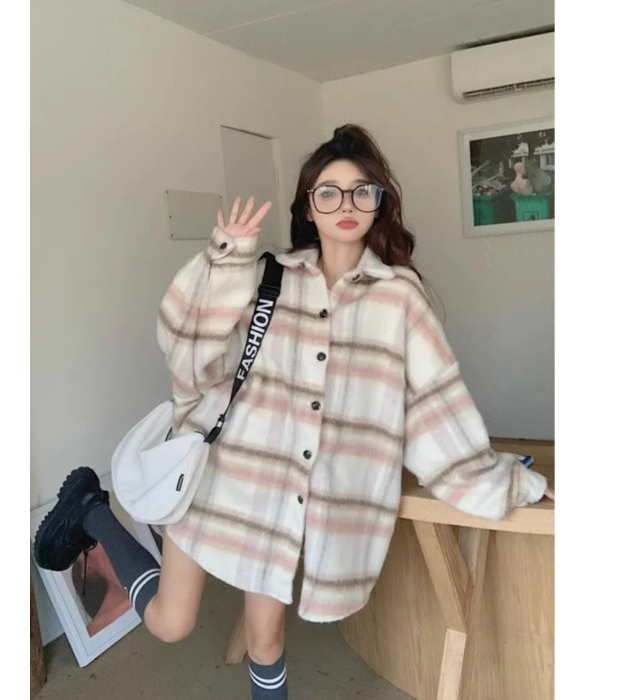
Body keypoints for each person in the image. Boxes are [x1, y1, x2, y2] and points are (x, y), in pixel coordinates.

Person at [34, 124, 554, 699]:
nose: (346, 205)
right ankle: (92, 511)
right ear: (308, 206)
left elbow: (435, 405)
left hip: (285, 500)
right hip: (223, 475)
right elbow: (189, 356)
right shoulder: (268, 274)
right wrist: (224, 261)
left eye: (361, 191)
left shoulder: (401, 298)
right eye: (329, 192)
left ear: (379, 202)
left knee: (267, 640)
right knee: (171, 622)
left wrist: (511, 481)